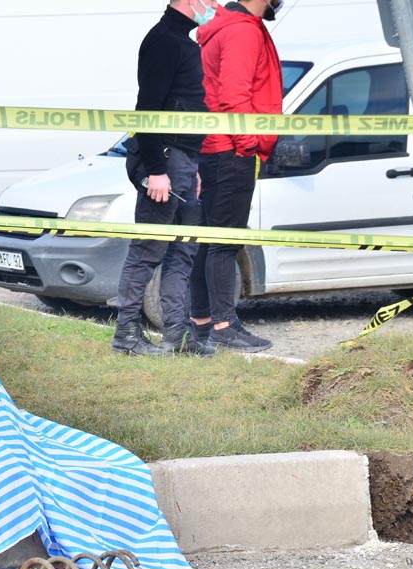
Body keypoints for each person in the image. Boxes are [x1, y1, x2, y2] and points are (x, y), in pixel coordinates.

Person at [112, 0, 218, 357]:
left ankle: (177, 335)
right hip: (166, 162)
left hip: (184, 161)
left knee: (182, 251)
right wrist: (157, 170)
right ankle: (127, 334)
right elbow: (148, 109)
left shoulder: (182, 41)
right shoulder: (163, 40)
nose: (215, 6)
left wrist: (192, 165)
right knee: (147, 250)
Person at [189, 0, 283, 352]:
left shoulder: (227, 27)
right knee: (224, 242)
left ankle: (202, 322)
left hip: (216, 148)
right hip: (230, 151)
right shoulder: (242, 31)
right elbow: (233, 95)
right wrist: (248, 145)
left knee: (210, 240)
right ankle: (224, 326)